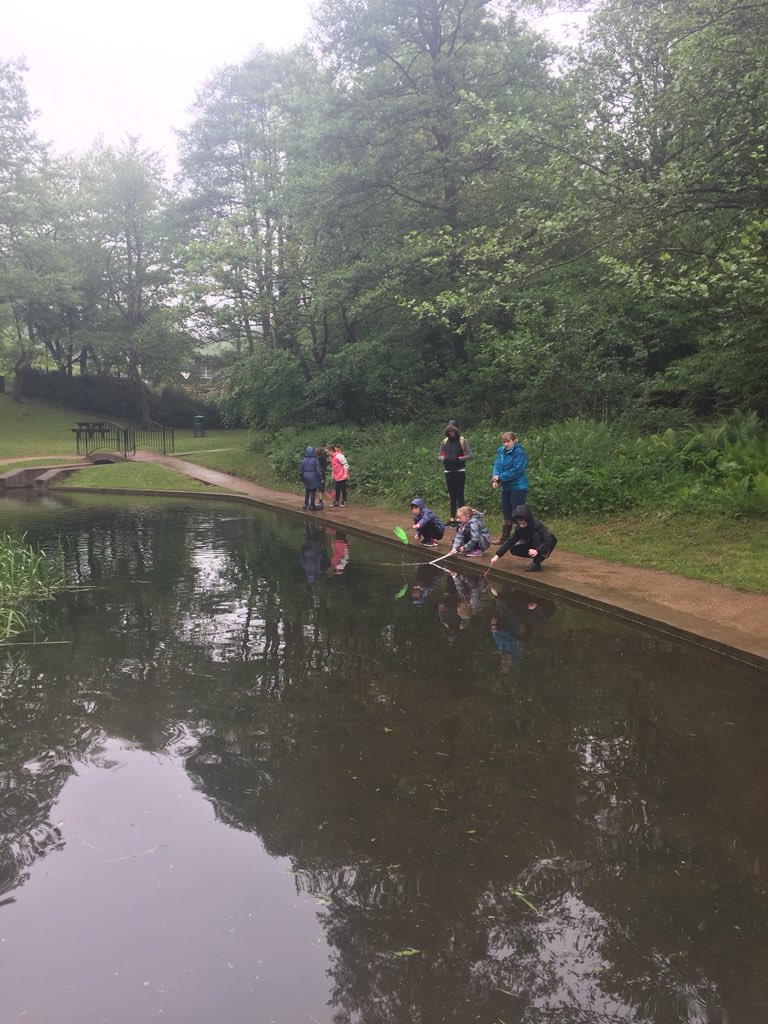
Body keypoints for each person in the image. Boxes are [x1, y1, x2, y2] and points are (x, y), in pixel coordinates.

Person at [489, 504, 557, 572]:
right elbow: (510, 541)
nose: (521, 526)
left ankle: (536, 563)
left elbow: (549, 539)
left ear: (528, 521)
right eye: (519, 524)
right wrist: (497, 555)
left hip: (545, 548)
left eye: (523, 524)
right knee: (514, 549)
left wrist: (537, 551)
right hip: (532, 546)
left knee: (536, 535)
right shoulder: (519, 528)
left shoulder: (537, 525)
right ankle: (536, 557)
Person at [490, 431, 529, 545]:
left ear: (514, 441)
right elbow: (497, 466)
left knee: (519, 513)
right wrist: (495, 478)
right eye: (504, 442)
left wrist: (500, 477)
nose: (506, 444)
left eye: (508, 441)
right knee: (506, 512)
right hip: (506, 487)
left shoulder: (519, 453)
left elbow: (517, 470)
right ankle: (504, 538)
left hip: (518, 487)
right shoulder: (501, 451)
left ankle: (523, 538)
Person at [438, 419, 472, 527]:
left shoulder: (462, 441)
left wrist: (461, 458)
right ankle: (452, 518)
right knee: (452, 495)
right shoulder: (445, 442)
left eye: (453, 430)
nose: (451, 432)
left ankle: (461, 519)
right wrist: (442, 458)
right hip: (448, 470)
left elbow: (470, 455)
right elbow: (439, 455)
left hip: (459, 470)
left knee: (459, 494)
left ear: (456, 431)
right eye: (449, 430)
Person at [299, 445, 323, 511]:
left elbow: (301, 471)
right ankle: (312, 505)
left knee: (307, 490)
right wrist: (321, 478)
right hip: (313, 476)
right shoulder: (315, 460)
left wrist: (301, 479)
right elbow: (318, 471)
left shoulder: (303, 460)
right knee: (313, 490)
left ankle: (305, 504)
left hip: (306, 476)